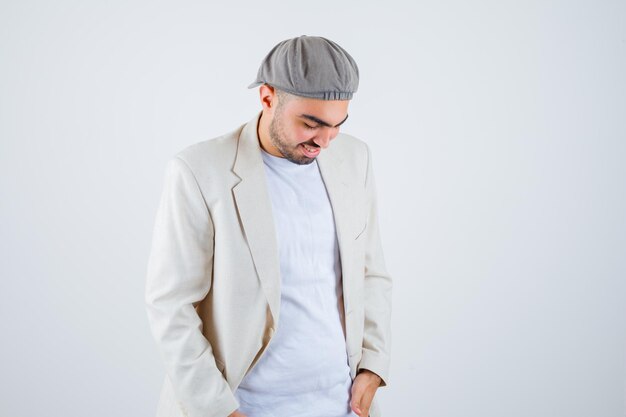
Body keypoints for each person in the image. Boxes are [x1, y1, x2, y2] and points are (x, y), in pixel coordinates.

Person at [145, 35, 392, 417]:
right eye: (311, 123)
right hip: (245, 406)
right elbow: (171, 305)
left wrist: (374, 364)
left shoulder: (355, 158)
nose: (325, 141)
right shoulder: (199, 171)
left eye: (337, 125)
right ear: (267, 98)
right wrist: (218, 409)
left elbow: (371, 270)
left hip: (340, 403)